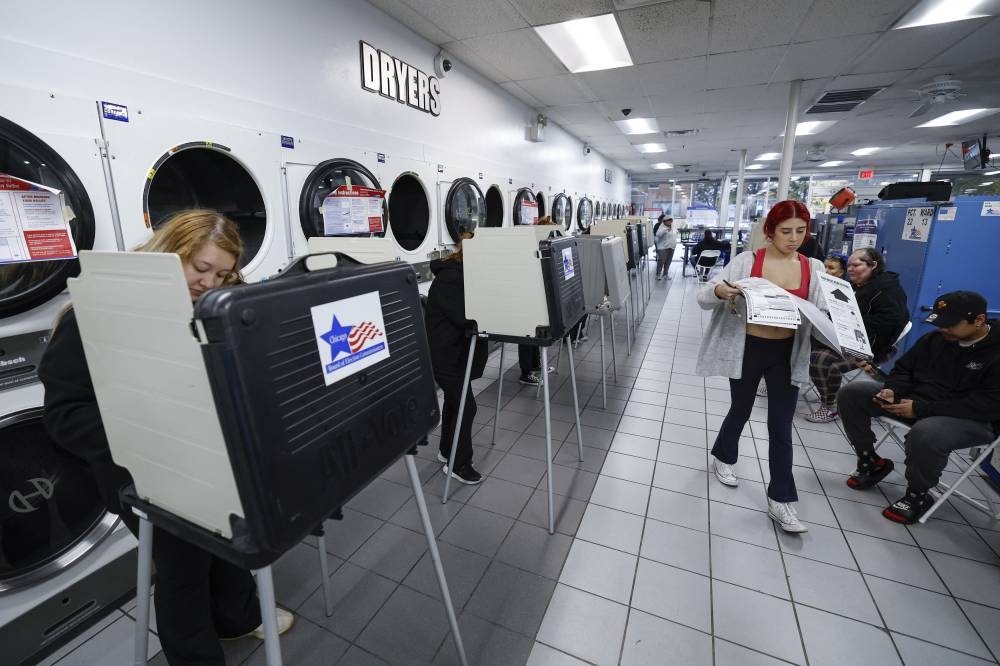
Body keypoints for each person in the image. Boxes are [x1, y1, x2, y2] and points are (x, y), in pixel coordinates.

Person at [39, 210, 294, 665]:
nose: (209, 282)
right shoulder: (96, 312)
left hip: (206, 453)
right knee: (182, 570)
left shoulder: (213, 304)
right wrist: (147, 432)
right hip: (138, 469)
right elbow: (64, 415)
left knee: (231, 537)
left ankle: (236, 617)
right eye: (200, 268)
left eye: (222, 273)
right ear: (169, 253)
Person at [696, 200, 826, 533]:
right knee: (740, 408)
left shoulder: (813, 268)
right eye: (786, 231)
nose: (794, 238)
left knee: (781, 426)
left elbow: (824, 314)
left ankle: (781, 500)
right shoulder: (747, 261)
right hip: (749, 348)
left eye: (800, 231)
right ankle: (724, 456)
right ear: (770, 231)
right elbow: (705, 295)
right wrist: (723, 290)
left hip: (787, 352)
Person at [836, 291, 1000, 524]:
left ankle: (918, 495)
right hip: (917, 404)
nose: (943, 329)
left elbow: (987, 405)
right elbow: (904, 370)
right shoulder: (935, 340)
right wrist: (893, 390)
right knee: (853, 393)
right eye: (939, 323)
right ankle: (870, 461)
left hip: (973, 419)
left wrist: (921, 409)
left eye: (950, 324)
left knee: (927, 432)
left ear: (980, 320)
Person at [806, 248, 909, 422]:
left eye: (856, 265)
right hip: (848, 339)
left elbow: (891, 322)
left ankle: (830, 405)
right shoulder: (860, 285)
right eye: (849, 265)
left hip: (873, 346)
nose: (851, 269)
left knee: (821, 360)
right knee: (805, 340)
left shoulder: (886, 290)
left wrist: (850, 321)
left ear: (873, 265)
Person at [425, 228, 487, 485]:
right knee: (466, 406)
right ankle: (458, 464)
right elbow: (466, 317)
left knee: (455, 402)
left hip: (455, 352)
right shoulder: (452, 278)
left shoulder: (463, 274)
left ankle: (446, 450)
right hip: (445, 355)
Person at [653, 214, 678, 280]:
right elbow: (658, 234)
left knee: (668, 261)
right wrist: (665, 230)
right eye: (669, 221)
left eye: (671, 221)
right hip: (663, 247)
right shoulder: (662, 227)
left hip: (671, 247)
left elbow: (674, 235)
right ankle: (658, 274)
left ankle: (665, 274)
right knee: (661, 261)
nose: (670, 222)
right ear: (665, 221)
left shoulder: (672, 227)